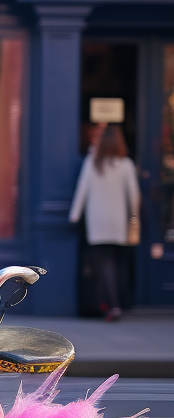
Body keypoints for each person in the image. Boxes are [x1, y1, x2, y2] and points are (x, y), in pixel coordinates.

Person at [69, 123, 140, 321]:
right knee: (117, 264)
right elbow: (133, 196)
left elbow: (82, 192)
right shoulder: (126, 164)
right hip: (119, 221)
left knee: (104, 265)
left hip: (97, 221)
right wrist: (133, 218)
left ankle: (112, 306)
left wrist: (74, 216)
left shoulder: (92, 162)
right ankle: (118, 304)